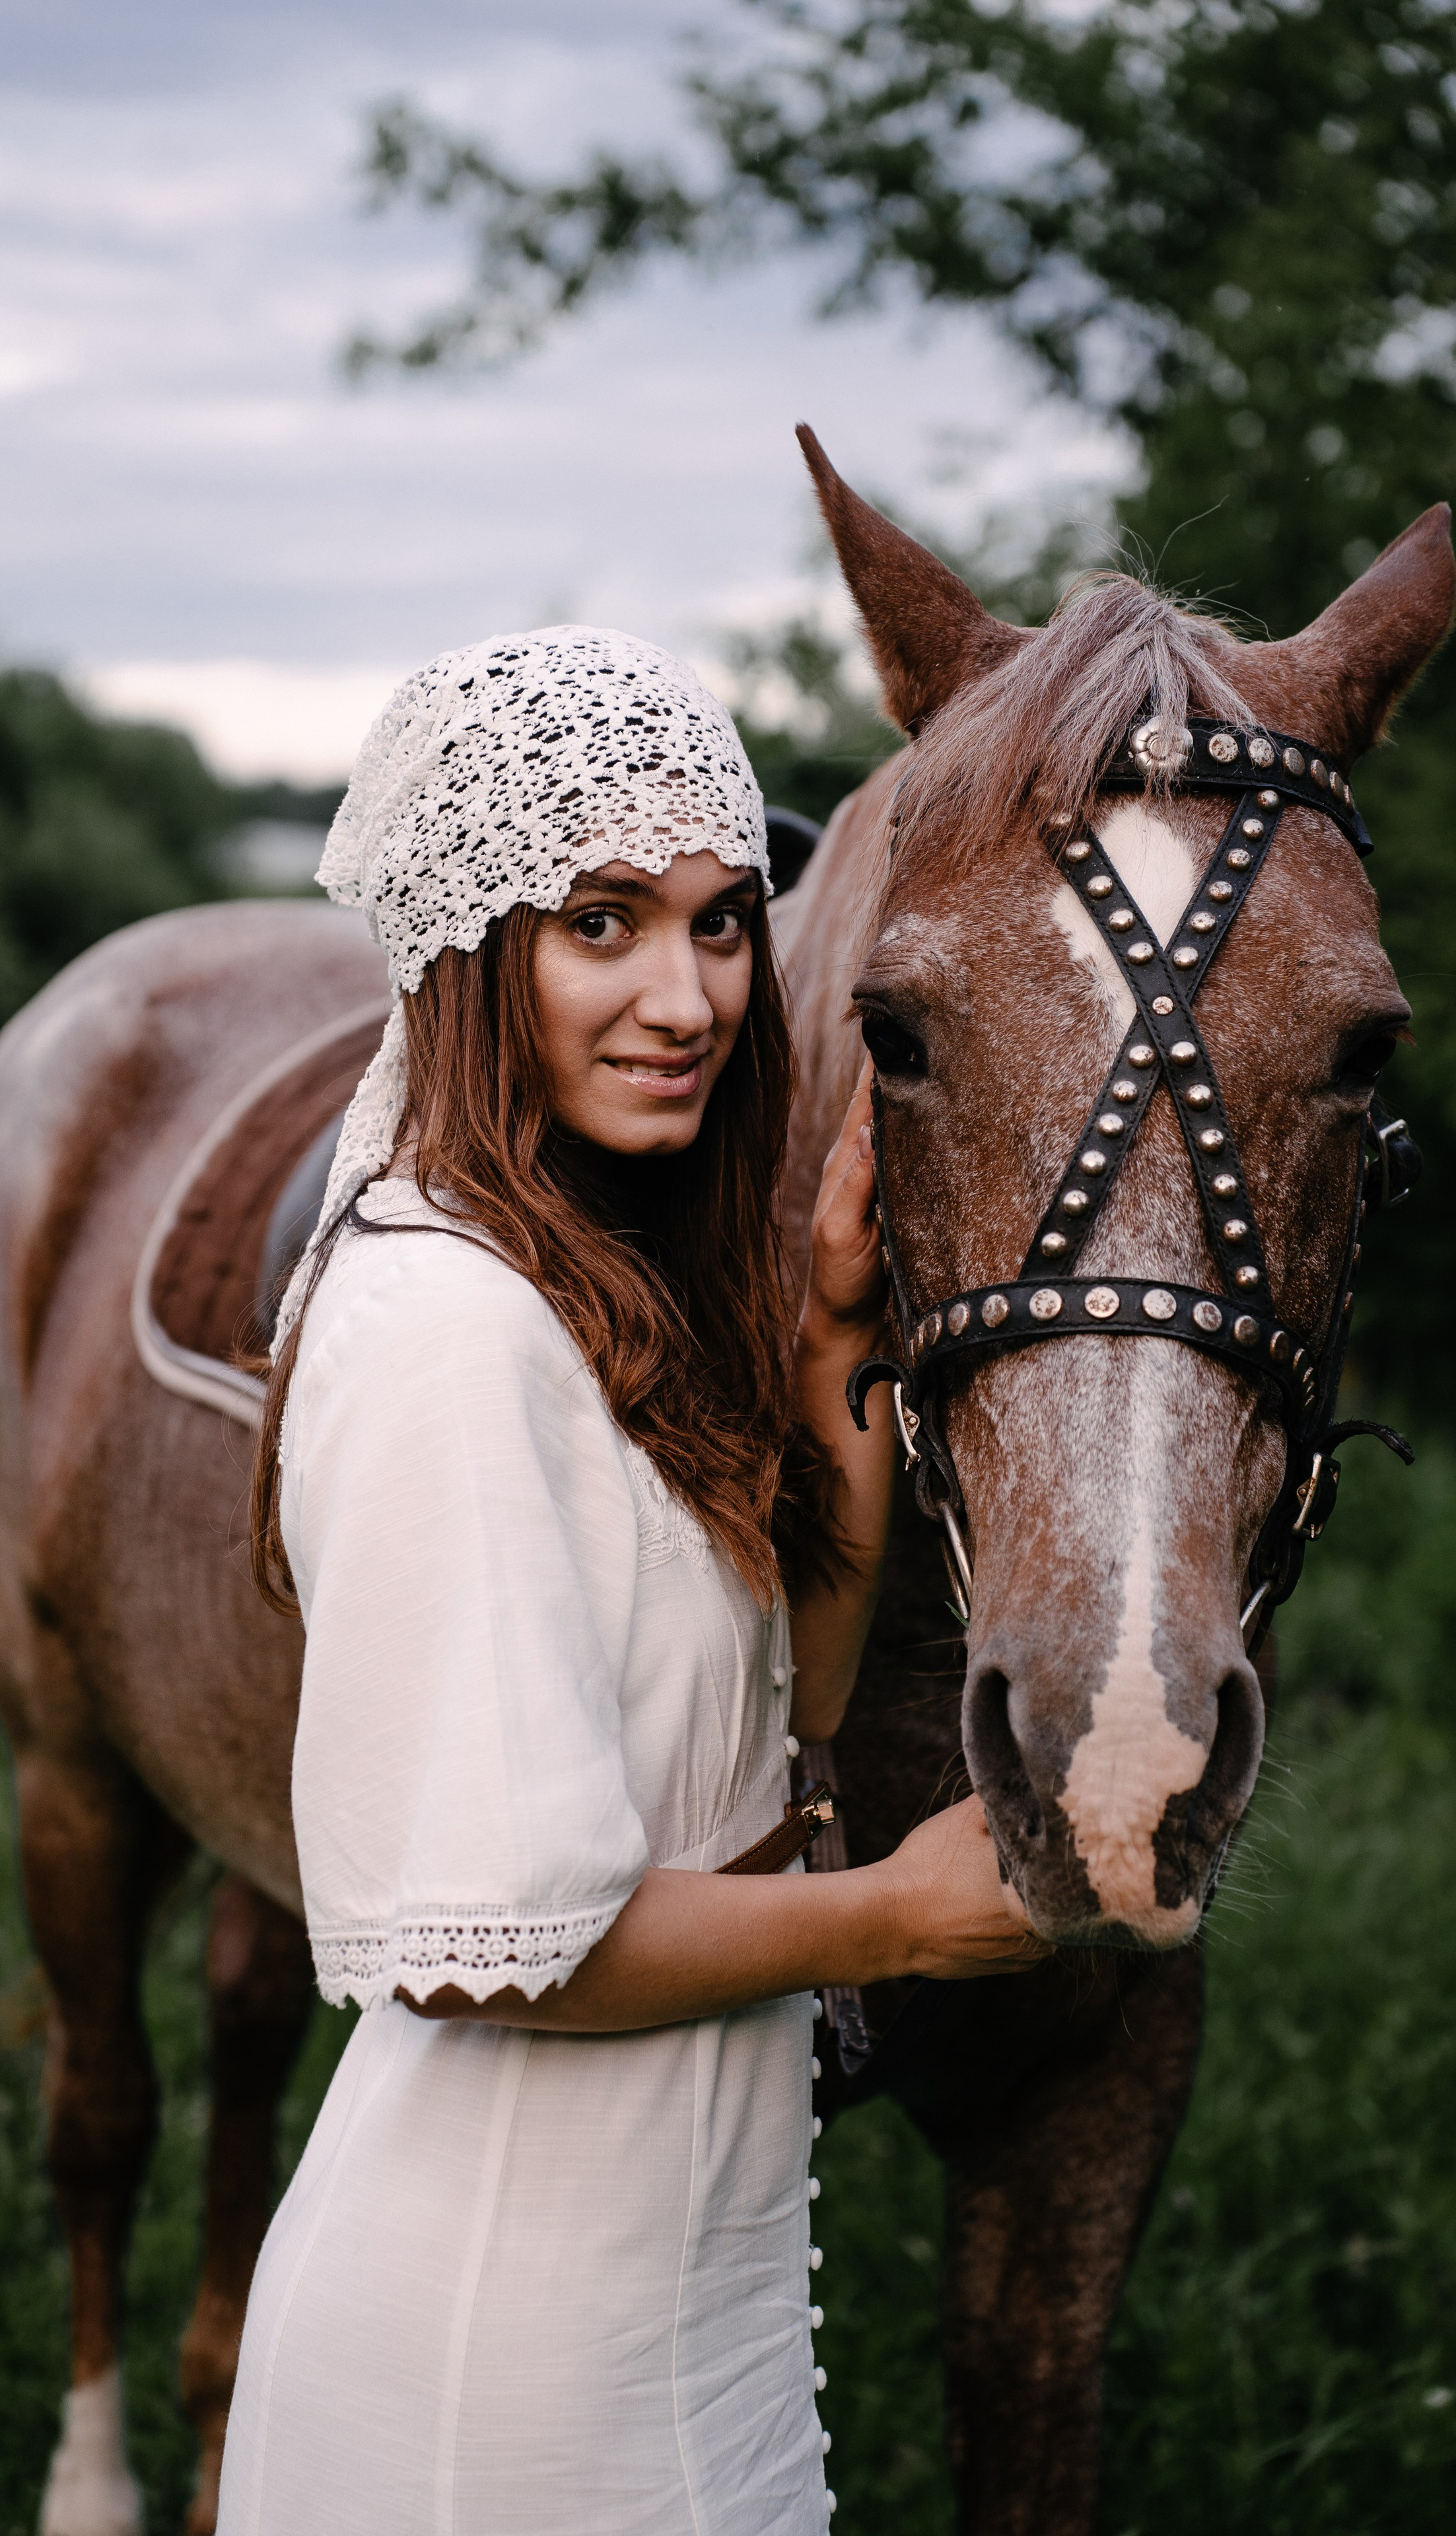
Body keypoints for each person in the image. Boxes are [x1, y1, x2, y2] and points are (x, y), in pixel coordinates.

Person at [216, 626, 1044, 2536]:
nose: (688, 998)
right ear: (465, 947)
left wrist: (837, 1340)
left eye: (720, 923)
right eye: (600, 924)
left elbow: (786, 1721)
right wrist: (895, 1922)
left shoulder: (598, 1286)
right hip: (497, 2392)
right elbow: (512, 1949)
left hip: (677, 2323)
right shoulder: (446, 1329)